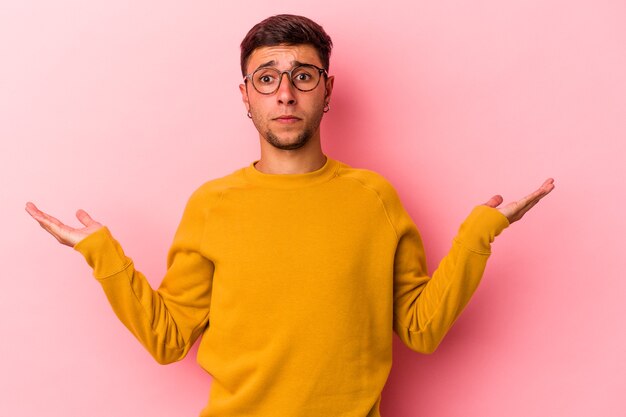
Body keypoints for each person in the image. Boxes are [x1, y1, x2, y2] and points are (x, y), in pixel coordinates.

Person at [25, 14, 554, 417]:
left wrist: (479, 234)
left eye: (303, 75)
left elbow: (421, 329)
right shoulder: (212, 204)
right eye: (266, 78)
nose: (284, 93)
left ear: (327, 90)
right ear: (245, 96)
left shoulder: (374, 198)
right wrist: (100, 253)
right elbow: (168, 340)